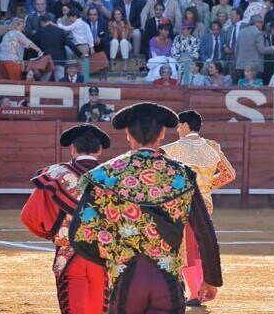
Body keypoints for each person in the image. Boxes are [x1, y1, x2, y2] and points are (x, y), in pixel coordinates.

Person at [70, 102, 223, 312]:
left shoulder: (103, 175)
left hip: (126, 277)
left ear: (127, 134)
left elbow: (80, 236)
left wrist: (115, 259)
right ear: (162, 133)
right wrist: (211, 278)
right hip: (167, 277)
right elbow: (205, 232)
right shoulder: (182, 175)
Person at [20, 124, 110, 314]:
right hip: (105, 257)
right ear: (99, 149)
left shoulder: (56, 174)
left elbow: (30, 216)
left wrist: (53, 233)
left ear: (72, 149)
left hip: (69, 254)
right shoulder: (114, 176)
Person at [162, 110, 236, 306]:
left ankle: (195, 292)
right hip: (205, 201)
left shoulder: (172, 149)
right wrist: (206, 186)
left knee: (186, 248)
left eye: (179, 126)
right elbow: (229, 174)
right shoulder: (212, 146)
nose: (178, 130)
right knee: (201, 243)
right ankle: (201, 288)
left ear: (185, 125)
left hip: (182, 204)